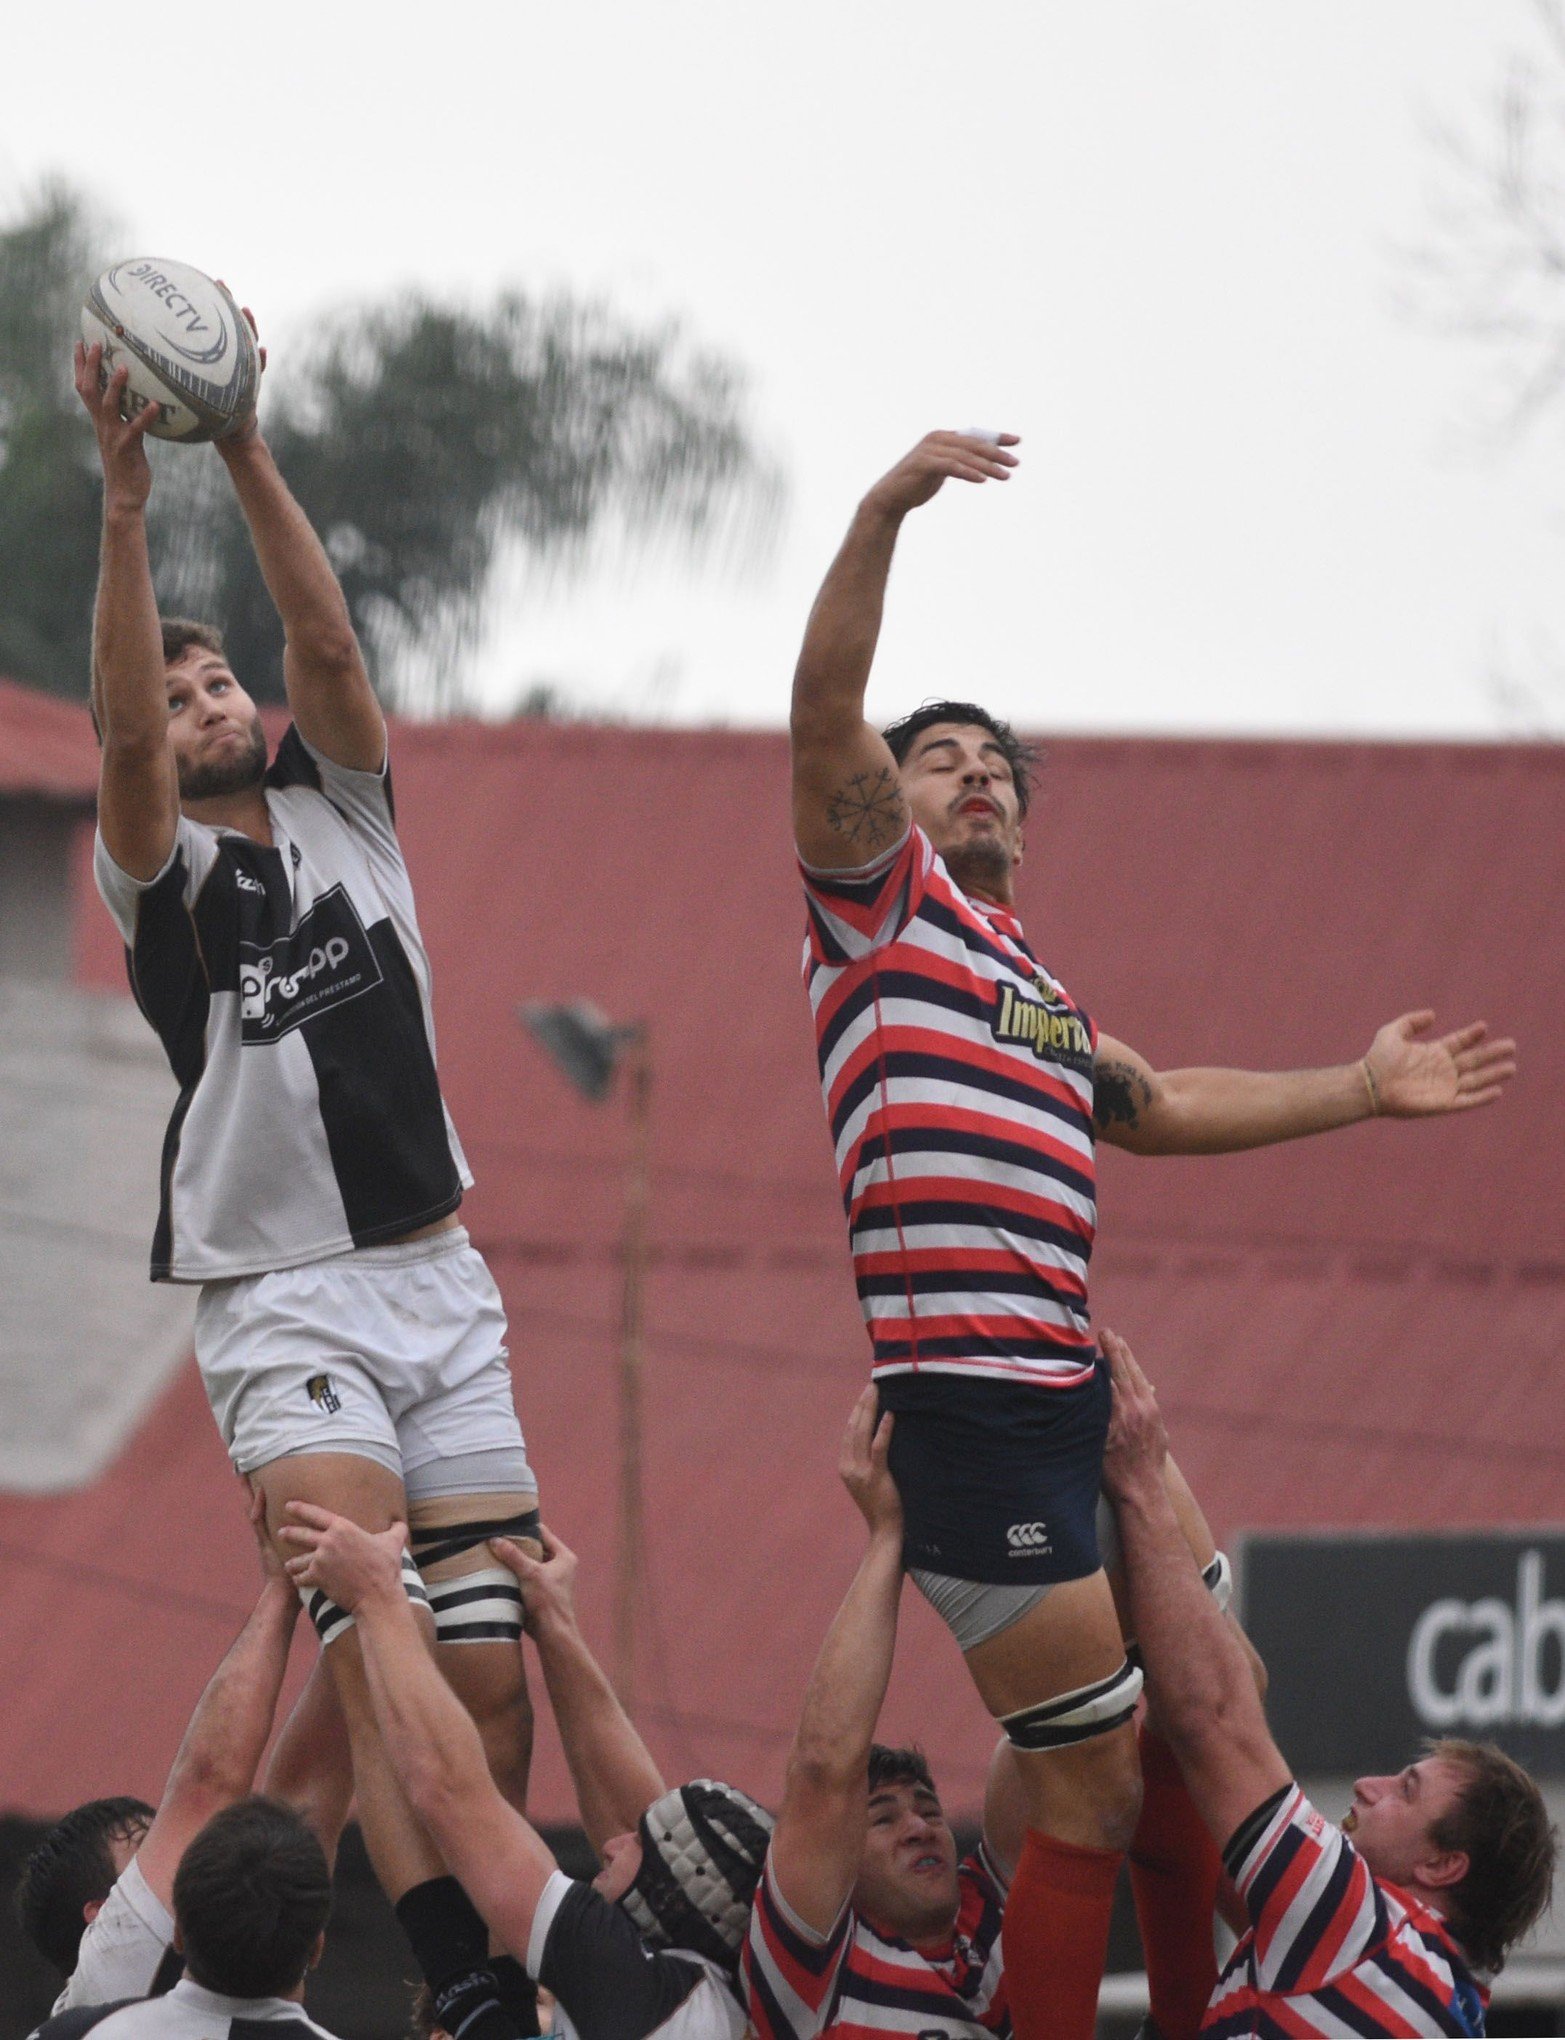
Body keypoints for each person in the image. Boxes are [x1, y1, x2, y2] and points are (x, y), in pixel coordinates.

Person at [787, 429, 1519, 2037]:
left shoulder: (1030, 986)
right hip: (971, 1404)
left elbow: (1156, 1099)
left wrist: (1362, 1090)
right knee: (1095, 1786)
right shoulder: (874, 905)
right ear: (885, 804)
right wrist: (879, 515)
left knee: (1218, 1707)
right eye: (942, 757)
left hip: (1070, 1387)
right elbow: (825, 706)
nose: (975, 773)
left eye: (997, 765)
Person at [73, 325, 540, 2031]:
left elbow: (327, 641)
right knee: (375, 1642)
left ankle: (371, 1975)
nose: (204, 702)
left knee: (481, 1684)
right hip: (283, 1299)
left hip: (437, 1274)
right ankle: (241, 2001)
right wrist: (127, 510)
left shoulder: (347, 810)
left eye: (218, 685)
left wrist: (246, 445)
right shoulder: (166, 876)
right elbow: (120, 747)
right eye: (178, 690)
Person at [1100, 1325, 1557, 2038]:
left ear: (1440, 1864)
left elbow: (1210, 1720)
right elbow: (1189, 1825)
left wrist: (1137, 1483)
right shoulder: (1438, 1991)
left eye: (1406, 1790)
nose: (1368, 1787)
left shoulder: (1366, 1937)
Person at [280, 1502, 773, 2040]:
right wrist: (556, 1626)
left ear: (674, 1896)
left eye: (641, 1843)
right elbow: (631, 1821)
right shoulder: (715, 1995)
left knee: (383, 1725)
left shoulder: (630, 1984)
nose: (610, 1844)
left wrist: (378, 1601)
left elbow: (448, 1791)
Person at [743, 1390, 1022, 2040]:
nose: (921, 1828)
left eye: (925, 1809)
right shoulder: (812, 1968)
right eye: (883, 1818)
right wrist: (889, 1537)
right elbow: (821, 1769)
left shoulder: (990, 1916)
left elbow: (1045, 1730)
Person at [20, 1491, 306, 2009]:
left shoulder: (206, 1976)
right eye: (148, 1845)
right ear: (102, 1917)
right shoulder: (106, 1977)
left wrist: (356, 1621)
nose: (186, 1847)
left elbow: (307, 1798)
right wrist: (285, 1589)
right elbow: (206, 1786)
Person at [27, 1798, 340, 2040]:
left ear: (178, 1933)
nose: (161, 1868)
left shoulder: (77, 2033)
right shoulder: (104, 1983)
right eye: (147, 1856)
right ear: (317, 1948)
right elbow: (209, 1779)